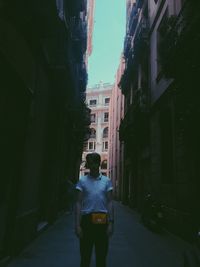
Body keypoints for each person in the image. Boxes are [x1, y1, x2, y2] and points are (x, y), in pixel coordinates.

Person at [75, 152, 114, 267]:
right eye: (90, 163)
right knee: (85, 256)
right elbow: (78, 203)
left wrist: (111, 223)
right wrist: (77, 225)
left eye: (94, 163)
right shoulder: (82, 181)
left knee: (101, 257)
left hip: (102, 220)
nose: (92, 166)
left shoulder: (106, 181)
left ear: (98, 164)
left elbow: (110, 202)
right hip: (86, 221)